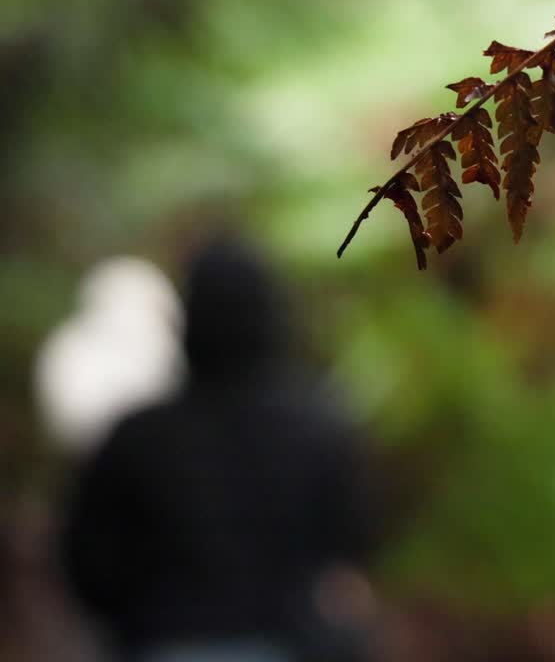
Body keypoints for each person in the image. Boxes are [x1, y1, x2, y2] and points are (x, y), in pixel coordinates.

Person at [60, 236, 376, 662]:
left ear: (188, 317)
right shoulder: (318, 431)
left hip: (158, 643)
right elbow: (350, 551)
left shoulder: (136, 437)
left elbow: (87, 561)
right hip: (288, 642)